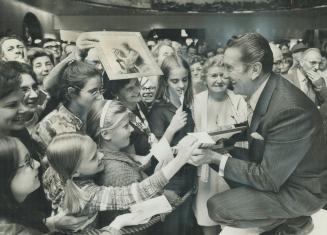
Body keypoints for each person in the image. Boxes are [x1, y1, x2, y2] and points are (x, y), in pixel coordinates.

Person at [189, 32, 327, 235]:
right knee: (228, 154)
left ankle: (295, 221)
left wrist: (214, 158)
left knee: (218, 208)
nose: (225, 76)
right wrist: (217, 144)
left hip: (302, 191)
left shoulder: (289, 109)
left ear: (254, 70)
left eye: (229, 68)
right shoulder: (268, 88)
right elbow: (256, 130)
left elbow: (268, 179)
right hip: (285, 176)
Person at [46, 132, 199, 233]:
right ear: (76, 172)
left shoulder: (55, 171)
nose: (101, 155)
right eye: (93, 157)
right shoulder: (87, 195)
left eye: (97, 149)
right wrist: (180, 160)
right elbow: (137, 193)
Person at [0, 136, 149, 235]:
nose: (37, 164)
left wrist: (52, 223)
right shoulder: (11, 231)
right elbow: (130, 195)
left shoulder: (19, 206)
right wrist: (115, 227)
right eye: (27, 162)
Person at [192, 56, 247, 235]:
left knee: (233, 219)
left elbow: (243, 131)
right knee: (207, 216)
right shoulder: (197, 101)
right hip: (206, 168)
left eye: (223, 75)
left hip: (230, 164)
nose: (218, 80)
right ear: (205, 78)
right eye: (213, 75)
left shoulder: (238, 100)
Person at [149, 54, 196, 235]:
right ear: (165, 82)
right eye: (174, 81)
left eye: (184, 80)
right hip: (170, 183)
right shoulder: (158, 110)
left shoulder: (188, 107)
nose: (181, 85)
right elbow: (155, 156)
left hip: (189, 179)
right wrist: (173, 127)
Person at [104, 77, 155, 156]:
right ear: (115, 92)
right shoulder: (117, 118)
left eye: (137, 84)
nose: (138, 90)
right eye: (130, 88)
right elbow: (135, 163)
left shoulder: (140, 104)